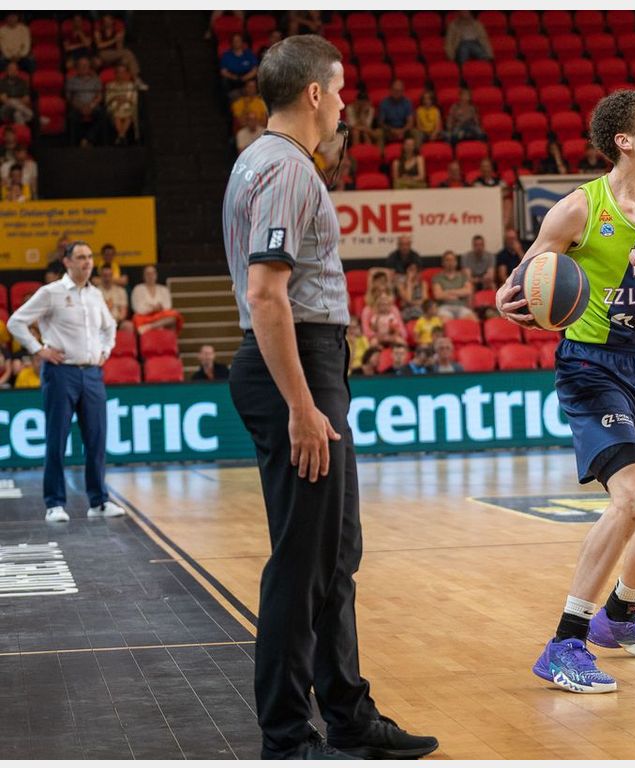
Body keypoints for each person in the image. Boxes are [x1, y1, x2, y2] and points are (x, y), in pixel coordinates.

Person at [219, 34, 438, 760]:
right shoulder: (286, 168)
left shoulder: (260, 159)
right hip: (297, 365)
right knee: (302, 561)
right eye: (340, 89)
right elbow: (266, 294)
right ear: (314, 93)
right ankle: (286, 737)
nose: (345, 103)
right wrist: (301, 404)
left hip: (304, 361)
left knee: (335, 553)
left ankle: (347, 713)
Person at [495, 89, 635, 694]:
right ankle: (565, 643)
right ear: (624, 140)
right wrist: (508, 300)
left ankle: (619, 616)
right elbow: (524, 283)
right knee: (633, 493)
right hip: (590, 367)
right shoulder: (577, 210)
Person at [6, 241, 126, 523]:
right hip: (61, 373)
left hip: (92, 374)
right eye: (81, 257)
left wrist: (105, 351)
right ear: (67, 262)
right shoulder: (51, 293)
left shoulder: (95, 294)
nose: (87, 262)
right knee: (57, 438)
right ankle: (54, 504)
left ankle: (99, 501)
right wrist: (39, 350)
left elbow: (110, 327)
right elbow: (15, 322)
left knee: (96, 439)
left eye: (90, 257)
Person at [131, 264, 185, 334]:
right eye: (148, 274)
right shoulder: (138, 289)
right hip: (144, 317)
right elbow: (138, 308)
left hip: (161, 316)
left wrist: (156, 307)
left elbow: (168, 306)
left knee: (174, 315)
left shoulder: (164, 289)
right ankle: (155, 326)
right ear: (144, 276)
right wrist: (152, 308)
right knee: (136, 318)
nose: (150, 276)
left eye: (153, 273)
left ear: (156, 274)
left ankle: (151, 326)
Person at [66, 57, 106, 147]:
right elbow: (69, 98)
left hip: (93, 105)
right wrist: (81, 107)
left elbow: (99, 96)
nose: (84, 68)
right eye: (81, 65)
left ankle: (87, 139)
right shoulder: (71, 80)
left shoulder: (96, 80)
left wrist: (91, 106)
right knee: (72, 117)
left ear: (89, 67)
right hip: (78, 106)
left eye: (86, 65)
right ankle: (83, 140)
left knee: (102, 115)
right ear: (77, 68)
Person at [431, 250, 475, 319]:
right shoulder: (437, 277)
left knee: (472, 320)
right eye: (447, 260)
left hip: (462, 307)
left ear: (456, 262)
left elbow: (468, 291)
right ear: (443, 263)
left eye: (452, 260)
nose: (450, 262)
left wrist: (448, 291)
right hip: (444, 307)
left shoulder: (463, 276)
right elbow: (438, 295)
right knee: (446, 321)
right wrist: (459, 293)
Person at [105, 63, 138, 145]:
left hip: (128, 106)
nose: (121, 74)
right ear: (116, 74)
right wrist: (116, 99)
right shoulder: (110, 85)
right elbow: (108, 99)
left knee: (128, 115)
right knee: (116, 115)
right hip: (115, 106)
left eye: (123, 72)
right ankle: (122, 136)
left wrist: (125, 100)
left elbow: (134, 99)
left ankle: (120, 136)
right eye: (119, 72)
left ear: (126, 73)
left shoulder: (131, 85)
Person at [219, 33, 258, 98]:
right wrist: (234, 77)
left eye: (238, 40)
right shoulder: (226, 55)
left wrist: (245, 78)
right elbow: (223, 72)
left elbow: (255, 70)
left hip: (247, 76)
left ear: (242, 42)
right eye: (234, 41)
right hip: (232, 77)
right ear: (231, 43)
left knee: (255, 80)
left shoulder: (249, 54)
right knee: (224, 82)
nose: (236, 42)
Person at [378, 79, 413, 144]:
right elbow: (381, 122)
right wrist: (392, 130)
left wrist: (402, 131)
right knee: (379, 133)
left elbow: (410, 122)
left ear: (403, 91)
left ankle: (415, 150)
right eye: (395, 90)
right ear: (390, 90)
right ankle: (380, 151)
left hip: (404, 129)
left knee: (416, 133)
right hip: (389, 130)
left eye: (399, 90)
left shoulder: (407, 102)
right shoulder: (384, 103)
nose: (397, 92)